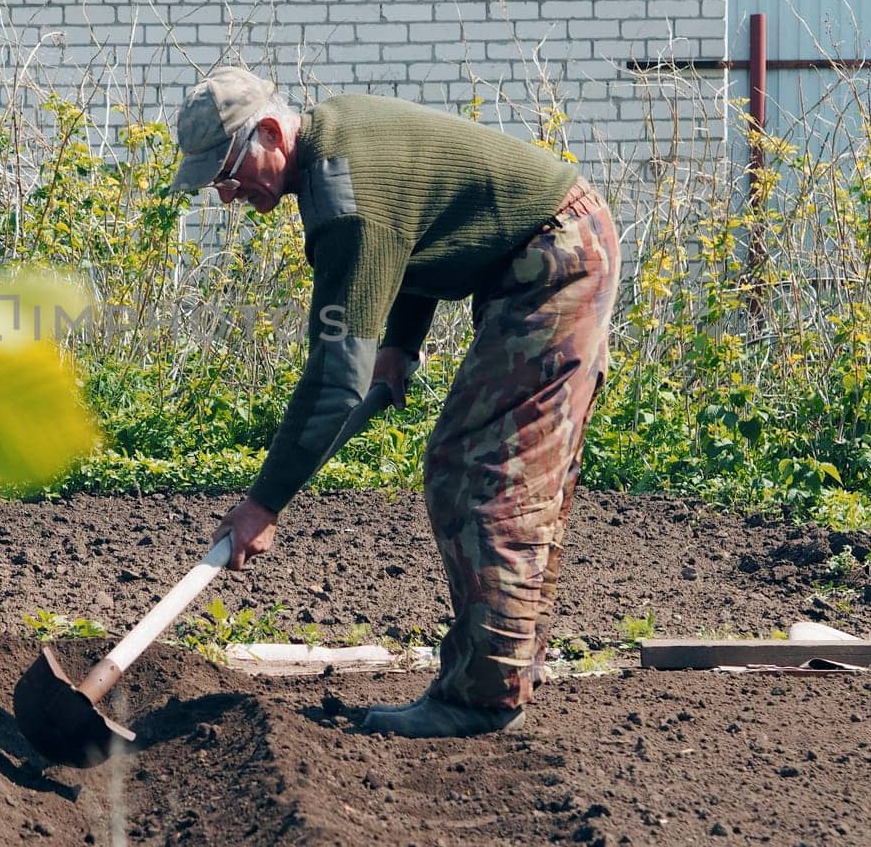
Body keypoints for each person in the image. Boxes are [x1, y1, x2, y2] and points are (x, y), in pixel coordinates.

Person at [166, 67, 620, 738]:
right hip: (546, 249)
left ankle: (483, 695)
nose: (229, 196)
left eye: (228, 173)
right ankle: (503, 671)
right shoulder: (339, 141)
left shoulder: (340, 201)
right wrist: (400, 345)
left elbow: (331, 384)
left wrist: (263, 502)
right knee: (481, 464)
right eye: (216, 186)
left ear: (268, 131)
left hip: (553, 258)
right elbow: (418, 226)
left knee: (482, 468)